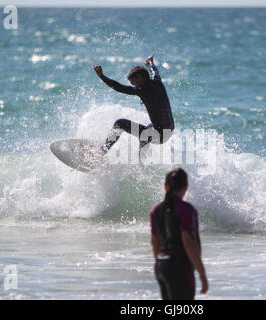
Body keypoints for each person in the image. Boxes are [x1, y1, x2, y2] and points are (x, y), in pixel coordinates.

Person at [93, 54, 174, 155]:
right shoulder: (157, 81)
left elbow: (119, 87)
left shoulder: (144, 89)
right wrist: (151, 63)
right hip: (169, 130)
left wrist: (101, 76)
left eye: (133, 81)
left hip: (160, 135)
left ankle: (101, 153)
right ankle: (142, 163)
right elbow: (155, 71)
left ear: (139, 77)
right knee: (146, 132)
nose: (132, 84)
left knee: (120, 124)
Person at [150, 168, 208, 300]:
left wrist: (160, 264)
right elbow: (188, 242)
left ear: (165, 186)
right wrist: (202, 274)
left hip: (161, 267)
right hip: (179, 267)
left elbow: (154, 242)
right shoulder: (186, 209)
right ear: (186, 187)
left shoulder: (156, 210)